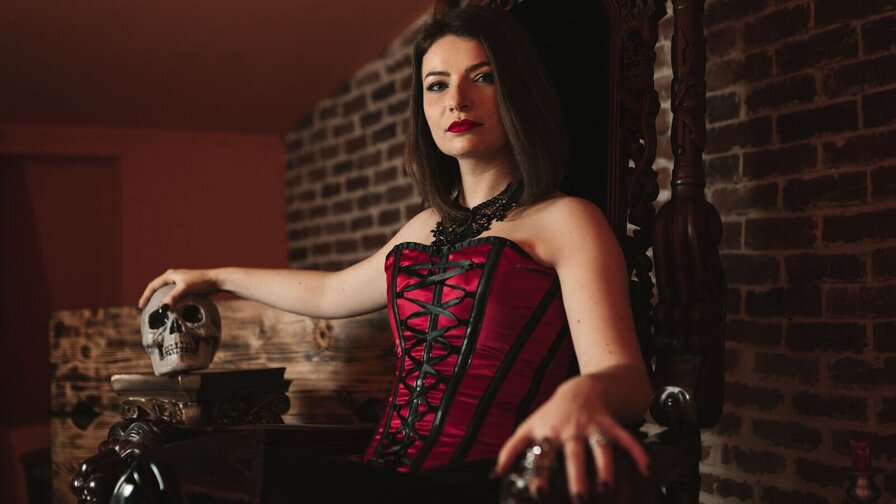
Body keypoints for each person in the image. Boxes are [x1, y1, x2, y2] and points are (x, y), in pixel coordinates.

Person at [138, 5, 650, 503]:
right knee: (163, 471)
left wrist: (581, 393)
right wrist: (216, 278)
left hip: (481, 483)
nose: (457, 101)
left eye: (483, 77)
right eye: (437, 85)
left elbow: (627, 380)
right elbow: (330, 292)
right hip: (384, 475)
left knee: (199, 480)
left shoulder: (566, 220)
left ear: (518, 90)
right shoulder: (425, 226)